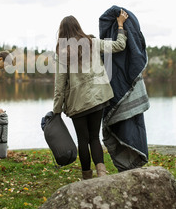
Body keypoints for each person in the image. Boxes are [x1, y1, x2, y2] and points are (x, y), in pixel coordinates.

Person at [53, 10, 128, 179]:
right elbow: (119, 45)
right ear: (78, 27)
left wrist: (56, 110)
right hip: (98, 98)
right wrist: (121, 25)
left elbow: (59, 85)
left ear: (62, 32)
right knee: (95, 137)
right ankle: (102, 174)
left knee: (83, 140)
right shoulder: (93, 42)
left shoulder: (62, 52)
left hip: (77, 103)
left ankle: (87, 176)